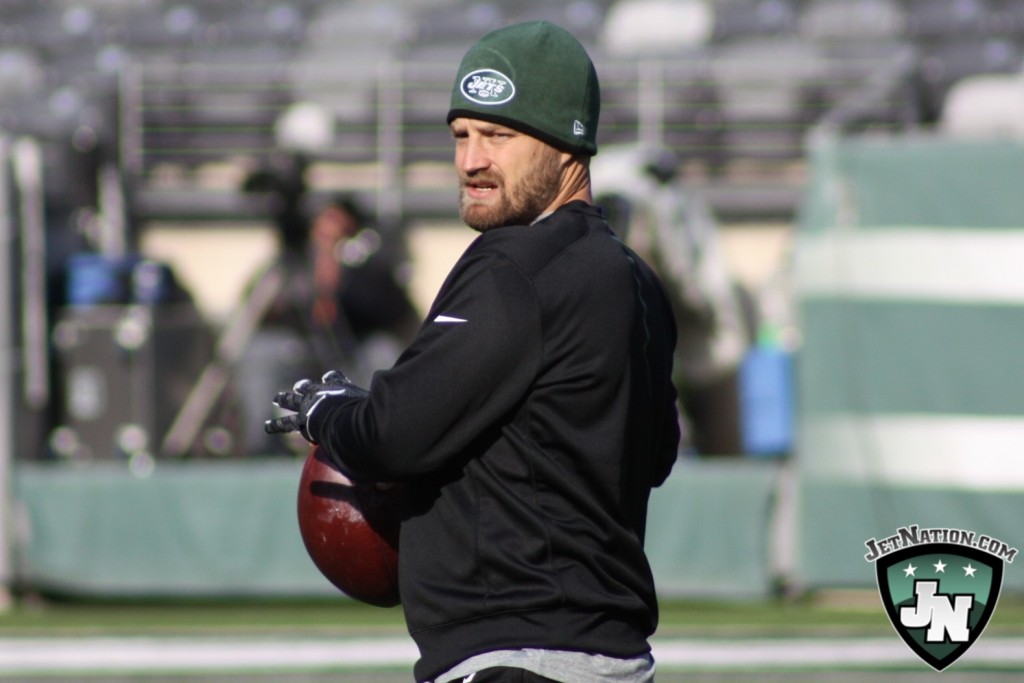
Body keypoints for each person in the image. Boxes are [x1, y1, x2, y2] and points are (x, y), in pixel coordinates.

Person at [267, 21, 681, 683]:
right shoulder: (637, 279)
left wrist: (329, 412)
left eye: (498, 135)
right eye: (461, 135)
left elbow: (393, 434)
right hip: (616, 657)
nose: (471, 161)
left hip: (516, 652)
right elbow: (655, 455)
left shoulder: (514, 265)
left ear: (567, 141)